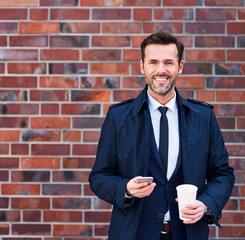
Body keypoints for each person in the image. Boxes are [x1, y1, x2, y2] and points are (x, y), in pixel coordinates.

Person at [88, 31, 235, 240]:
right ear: (142, 67)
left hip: (188, 234)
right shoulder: (118, 117)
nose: (161, 70)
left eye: (168, 62)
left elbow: (222, 174)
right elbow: (99, 177)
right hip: (134, 234)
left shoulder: (203, 117)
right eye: (153, 62)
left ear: (180, 67)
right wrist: (126, 188)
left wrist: (206, 203)